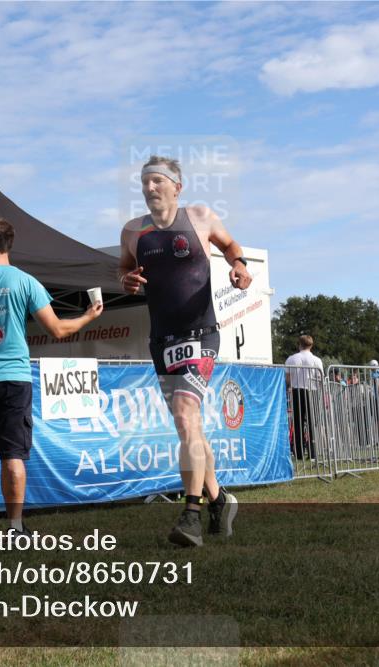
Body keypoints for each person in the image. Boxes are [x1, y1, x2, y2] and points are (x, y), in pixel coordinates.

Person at [0, 217, 102, 538]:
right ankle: (15, 527)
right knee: (13, 454)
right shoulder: (26, 282)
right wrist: (88, 315)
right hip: (15, 378)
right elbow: (57, 329)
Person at [118, 155, 251, 547]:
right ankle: (220, 500)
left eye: (158, 181)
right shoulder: (132, 231)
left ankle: (191, 515)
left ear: (178, 186)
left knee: (184, 413)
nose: (150, 188)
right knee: (188, 426)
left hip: (200, 334)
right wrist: (126, 279)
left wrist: (240, 266)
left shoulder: (200, 216)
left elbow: (229, 245)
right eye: (145, 183)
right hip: (162, 340)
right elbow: (124, 269)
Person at [284, 335, 324, 460]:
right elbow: (321, 378)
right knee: (312, 422)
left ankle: (299, 452)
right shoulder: (317, 360)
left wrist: (288, 387)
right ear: (311, 345)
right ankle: (312, 452)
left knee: (298, 422)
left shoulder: (292, 359)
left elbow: (287, 378)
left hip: (297, 391)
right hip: (312, 391)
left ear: (299, 344)